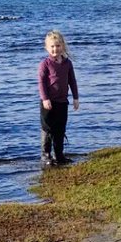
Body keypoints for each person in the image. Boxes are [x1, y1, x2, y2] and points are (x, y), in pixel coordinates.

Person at [38, 29, 79, 167]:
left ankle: (59, 155)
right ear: (47, 48)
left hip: (62, 102)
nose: (55, 49)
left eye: (58, 45)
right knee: (47, 128)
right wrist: (45, 99)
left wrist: (75, 97)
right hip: (48, 103)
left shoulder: (67, 63)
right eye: (52, 46)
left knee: (60, 129)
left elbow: (72, 81)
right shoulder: (45, 64)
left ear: (62, 46)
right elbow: (41, 82)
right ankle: (46, 155)